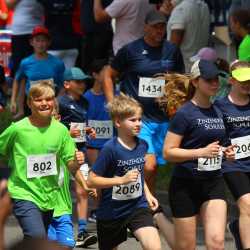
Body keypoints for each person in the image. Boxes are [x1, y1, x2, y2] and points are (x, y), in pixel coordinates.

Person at [103, 9, 184, 196]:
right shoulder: (131, 50)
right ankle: (141, 205)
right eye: (155, 27)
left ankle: (148, 208)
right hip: (139, 118)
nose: (159, 31)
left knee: (153, 169)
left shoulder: (172, 51)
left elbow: (179, 82)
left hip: (163, 118)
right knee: (149, 165)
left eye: (162, 27)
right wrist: (112, 104)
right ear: (145, 27)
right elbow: (108, 74)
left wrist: (177, 107)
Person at [163, 59, 235, 250]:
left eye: (216, 79)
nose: (214, 83)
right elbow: (168, 152)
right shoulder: (184, 114)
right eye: (209, 79)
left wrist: (227, 152)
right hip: (185, 185)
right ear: (195, 82)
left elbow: (221, 144)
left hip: (213, 182)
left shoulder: (219, 111)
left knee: (217, 243)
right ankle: (158, 217)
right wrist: (200, 152)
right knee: (186, 247)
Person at [0, 81, 85, 239]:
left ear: (54, 102)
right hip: (23, 193)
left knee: (38, 241)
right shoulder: (17, 129)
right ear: (29, 103)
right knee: (37, 237)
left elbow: (70, 165)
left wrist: (76, 161)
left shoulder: (61, 130)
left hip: (49, 197)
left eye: (49, 99)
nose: (44, 103)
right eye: (38, 100)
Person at [87, 94, 161, 250]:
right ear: (118, 122)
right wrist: (121, 180)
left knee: (154, 246)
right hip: (111, 212)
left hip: (137, 206)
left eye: (140, 119)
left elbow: (138, 173)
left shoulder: (143, 145)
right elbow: (92, 180)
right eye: (133, 120)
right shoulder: (110, 149)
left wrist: (147, 194)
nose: (138, 124)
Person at [48, 101, 97, 249]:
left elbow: (73, 167)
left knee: (67, 245)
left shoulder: (65, 138)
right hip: (40, 204)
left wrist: (86, 185)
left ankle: (82, 231)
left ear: (59, 118)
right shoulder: (33, 136)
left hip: (61, 206)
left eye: (54, 117)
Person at [57, 67, 97, 248]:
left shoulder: (85, 103)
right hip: (62, 153)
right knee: (60, 189)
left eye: (83, 81)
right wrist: (70, 132)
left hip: (80, 152)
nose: (83, 84)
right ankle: (55, 228)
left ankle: (82, 231)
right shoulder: (59, 103)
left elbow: (79, 127)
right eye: (78, 81)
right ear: (67, 84)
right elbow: (53, 128)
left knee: (84, 189)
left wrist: (87, 130)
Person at [214, 61, 250, 250]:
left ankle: (237, 227)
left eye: (249, 80)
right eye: (242, 80)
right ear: (231, 80)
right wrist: (223, 150)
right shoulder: (220, 106)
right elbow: (210, 137)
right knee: (247, 204)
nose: (247, 84)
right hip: (233, 164)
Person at [10, 25, 65, 118]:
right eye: (37, 40)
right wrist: (13, 100)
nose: (40, 44)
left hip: (50, 105)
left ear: (49, 42)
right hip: (31, 105)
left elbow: (63, 85)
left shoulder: (57, 63)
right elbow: (17, 79)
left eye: (43, 40)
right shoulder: (25, 63)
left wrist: (57, 101)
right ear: (31, 42)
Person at [166, 0, 210, 71]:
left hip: (183, 71)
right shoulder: (204, 7)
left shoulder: (181, 10)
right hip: (198, 68)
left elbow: (172, 49)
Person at [5, 0, 44, 78]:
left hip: (37, 30)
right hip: (19, 31)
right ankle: (18, 88)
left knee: (36, 64)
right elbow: (8, 5)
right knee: (18, 65)